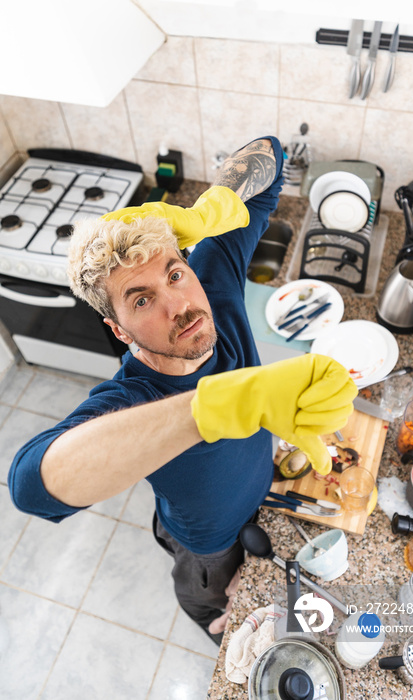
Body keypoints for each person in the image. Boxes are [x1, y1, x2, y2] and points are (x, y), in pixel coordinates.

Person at [8, 136, 357, 645]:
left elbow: (271, 155)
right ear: (119, 330)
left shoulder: (213, 284)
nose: (180, 306)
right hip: (207, 544)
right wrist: (212, 408)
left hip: (263, 494)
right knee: (223, 614)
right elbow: (29, 487)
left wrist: (203, 213)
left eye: (175, 274)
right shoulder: (132, 399)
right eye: (142, 299)